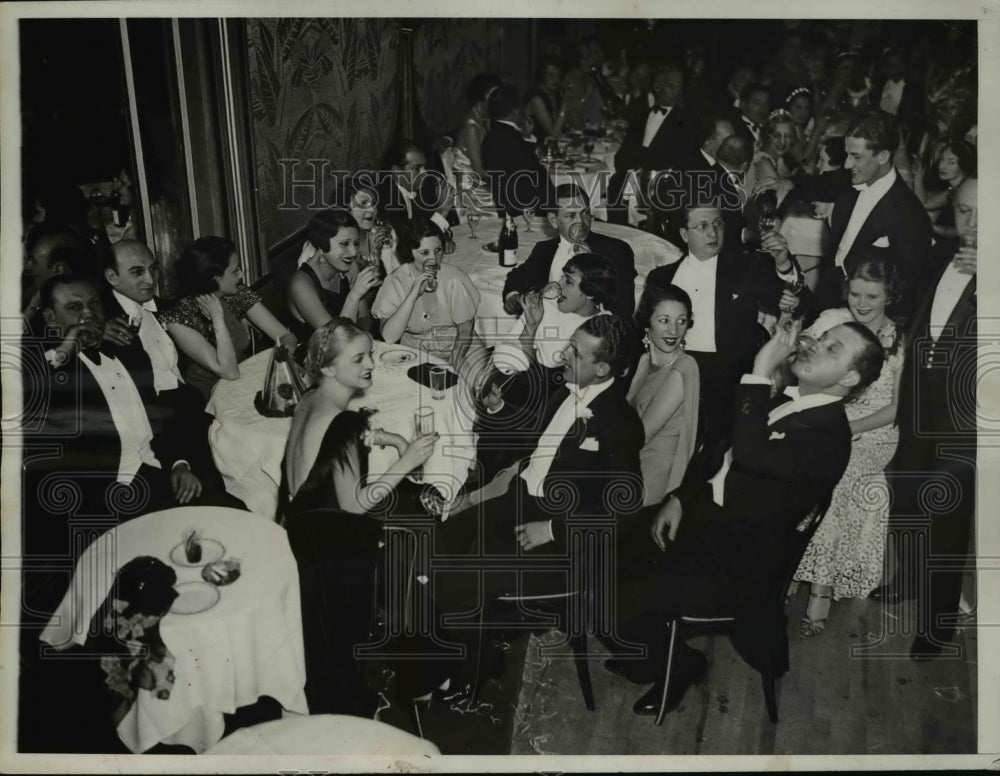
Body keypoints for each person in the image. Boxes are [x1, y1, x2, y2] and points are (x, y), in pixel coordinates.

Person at [607, 320, 885, 716]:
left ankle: (681, 664)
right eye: (821, 338)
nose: (815, 346)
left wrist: (759, 369)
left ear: (850, 377)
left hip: (735, 563)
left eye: (832, 349)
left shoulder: (828, 439)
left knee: (615, 592)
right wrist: (681, 498)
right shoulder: (790, 400)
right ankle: (645, 649)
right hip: (711, 523)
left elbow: (752, 455)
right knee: (605, 557)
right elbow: (721, 456)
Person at [876, 175, 977, 660]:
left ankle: (939, 623)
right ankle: (910, 576)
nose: (971, 224)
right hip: (919, 403)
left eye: (983, 213)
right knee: (909, 492)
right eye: (964, 211)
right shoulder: (942, 255)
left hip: (968, 423)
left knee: (949, 515)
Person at [644, 200, 805, 477]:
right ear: (684, 235)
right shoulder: (661, 278)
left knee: (707, 454)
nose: (713, 233)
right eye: (702, 226)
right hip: (673, 369)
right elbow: (641, 330)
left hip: (725, 376)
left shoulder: (746, 266)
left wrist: (784, 267)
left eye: (717, 224)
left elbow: (797, 303)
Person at [793, 256, 905, 636]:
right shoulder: (835, 324)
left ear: (890, 296)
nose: (861, 303)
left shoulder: (902, 340)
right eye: (855, 293)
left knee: (839, 476)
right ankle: (789, 561)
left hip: (874, 432)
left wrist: (848, 429)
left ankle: (821, 589)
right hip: (828, 419)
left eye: (872, 295)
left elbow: (896, 409)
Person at [817, 112, 932, 316]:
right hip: (827, 300)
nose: (847, 164)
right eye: (847, 155)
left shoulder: (912, 216)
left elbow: (905, 291)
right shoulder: (851, 184)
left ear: (883, 156)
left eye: (856, 157)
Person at [159, 236, 297, 400]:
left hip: (248, 383)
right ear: (215, 278)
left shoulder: (236, 293)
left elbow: (285, 336)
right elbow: (229, 372)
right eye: (235, 270)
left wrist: (278, 367)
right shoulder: (178, 318)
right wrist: (217, 318)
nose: (241, 275)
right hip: (212, 397)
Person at [493, 252, 616, 419]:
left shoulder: (597, 330)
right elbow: (510, 359)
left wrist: (530, 332)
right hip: (516, 385)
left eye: (569, 282)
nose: (558, 285)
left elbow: (557, 383)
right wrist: (530, 326)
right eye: (561, 278)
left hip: (551, 406)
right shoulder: (546, 306)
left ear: (591, 292)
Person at [502, 184, 636, 320]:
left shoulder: (616, 251)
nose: (580, 221)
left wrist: (592, 269)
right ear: (553, 221)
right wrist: (513, 296)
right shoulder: (544, 249)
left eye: (585, 213)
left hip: (594, 332)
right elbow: (518, 276)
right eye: (571, 216)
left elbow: (623, 309)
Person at [371, 218, 485, 374]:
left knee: (476, 386)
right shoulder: (395, 282)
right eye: (424, 253)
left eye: (438, 250)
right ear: (408, 252)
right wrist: (413, 295)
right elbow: (389, 337)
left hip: (460, 344)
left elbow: (465, 330)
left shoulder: (454, 278)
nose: (433, 260)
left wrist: (454, 365)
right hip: (417, 350)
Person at [627, 283, 700, 506]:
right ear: (647, 322)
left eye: (681, 321)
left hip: (648, 479)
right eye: (664, 320)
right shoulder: (643, 361)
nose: (674, 331)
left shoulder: (685, 366)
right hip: (627, 465)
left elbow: (640, 435)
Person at [609, 63, 697, 225]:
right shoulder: (641, 118)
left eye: (679, 87)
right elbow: (620, 158)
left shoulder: (686, 121)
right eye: (671, 86)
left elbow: (680, 159)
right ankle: (618, 237)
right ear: (657, 87)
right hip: (634, 179)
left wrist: (642, 160)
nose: (676, 92)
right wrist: (634, 167)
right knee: (616, 182)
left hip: (663, 182)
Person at [286, 208, 380, 342]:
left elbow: (364, 317)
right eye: (344, 244)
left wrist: (361, 341)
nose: (353, 252)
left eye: (356, 243)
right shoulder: (300, 284)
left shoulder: (350, 267)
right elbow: (334, 340)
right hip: (317, 357)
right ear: (321, 245)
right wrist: (354, 296)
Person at [481, 85, 551, 218]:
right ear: (516, 111)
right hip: (526, 209)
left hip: (508, 204)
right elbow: (537, 173)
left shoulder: (492, 135)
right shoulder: (512, 139)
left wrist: (527, 138)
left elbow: (518, 161)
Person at [912, 139, 975, 251]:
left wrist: (934, 228)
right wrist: (918, 176)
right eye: (942, 159)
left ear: (964, 166)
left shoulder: (965, 193)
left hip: (955, 249)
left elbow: (965, 231)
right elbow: (925, 203)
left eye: (951, 162)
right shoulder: (954, 189)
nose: (942, 166)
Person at [453, 72, 502, 182]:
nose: (497, 99)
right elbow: (478, 171)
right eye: (493, 95)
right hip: (471, 185)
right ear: (481, 96)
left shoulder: (486, 119)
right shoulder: (471, 127)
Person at [747, 109, 801, 207]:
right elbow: (779, 203)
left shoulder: (779, 160)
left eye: (788, 136)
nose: (782, 142)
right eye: (777, 135)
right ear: (767, 136)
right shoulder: (762, 162)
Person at [523, 63, 566, 144]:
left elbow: (578, 125)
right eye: (551, 75)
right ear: (542, 76)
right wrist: (565, 106)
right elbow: (552, 135)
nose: (556, 79)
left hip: (549, 147)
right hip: (534, 148)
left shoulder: (556, 95)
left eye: (558, 75)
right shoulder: (536, 99)